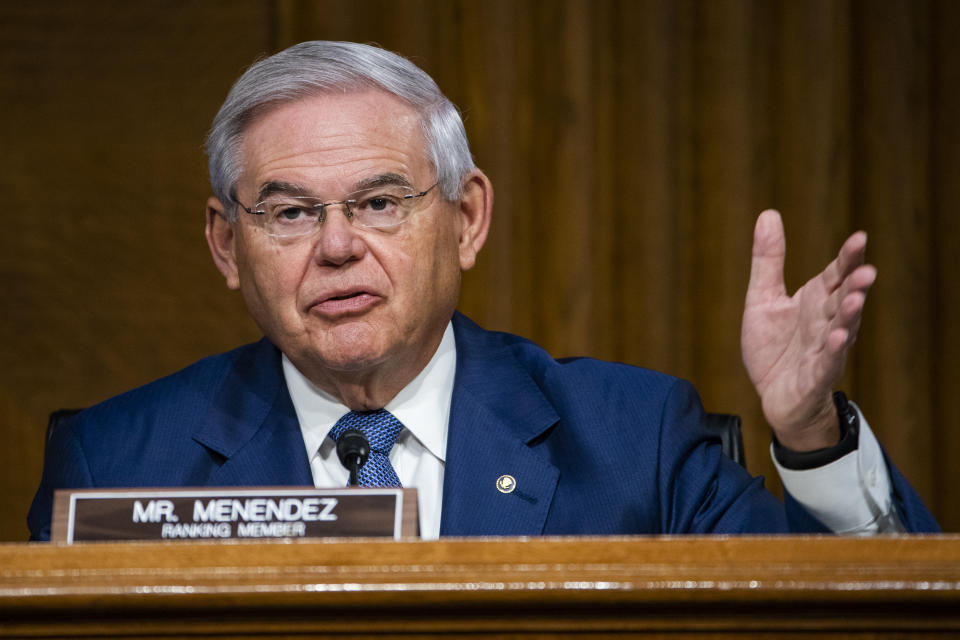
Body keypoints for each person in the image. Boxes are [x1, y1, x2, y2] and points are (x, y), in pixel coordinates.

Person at [28, 41, 938, 541]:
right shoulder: (119, 464)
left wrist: (811, 440)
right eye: (291, 213)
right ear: (228, 246)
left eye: (380, 202)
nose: (338, 247)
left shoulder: (633, 440)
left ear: (467, 219)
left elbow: (852, 622)